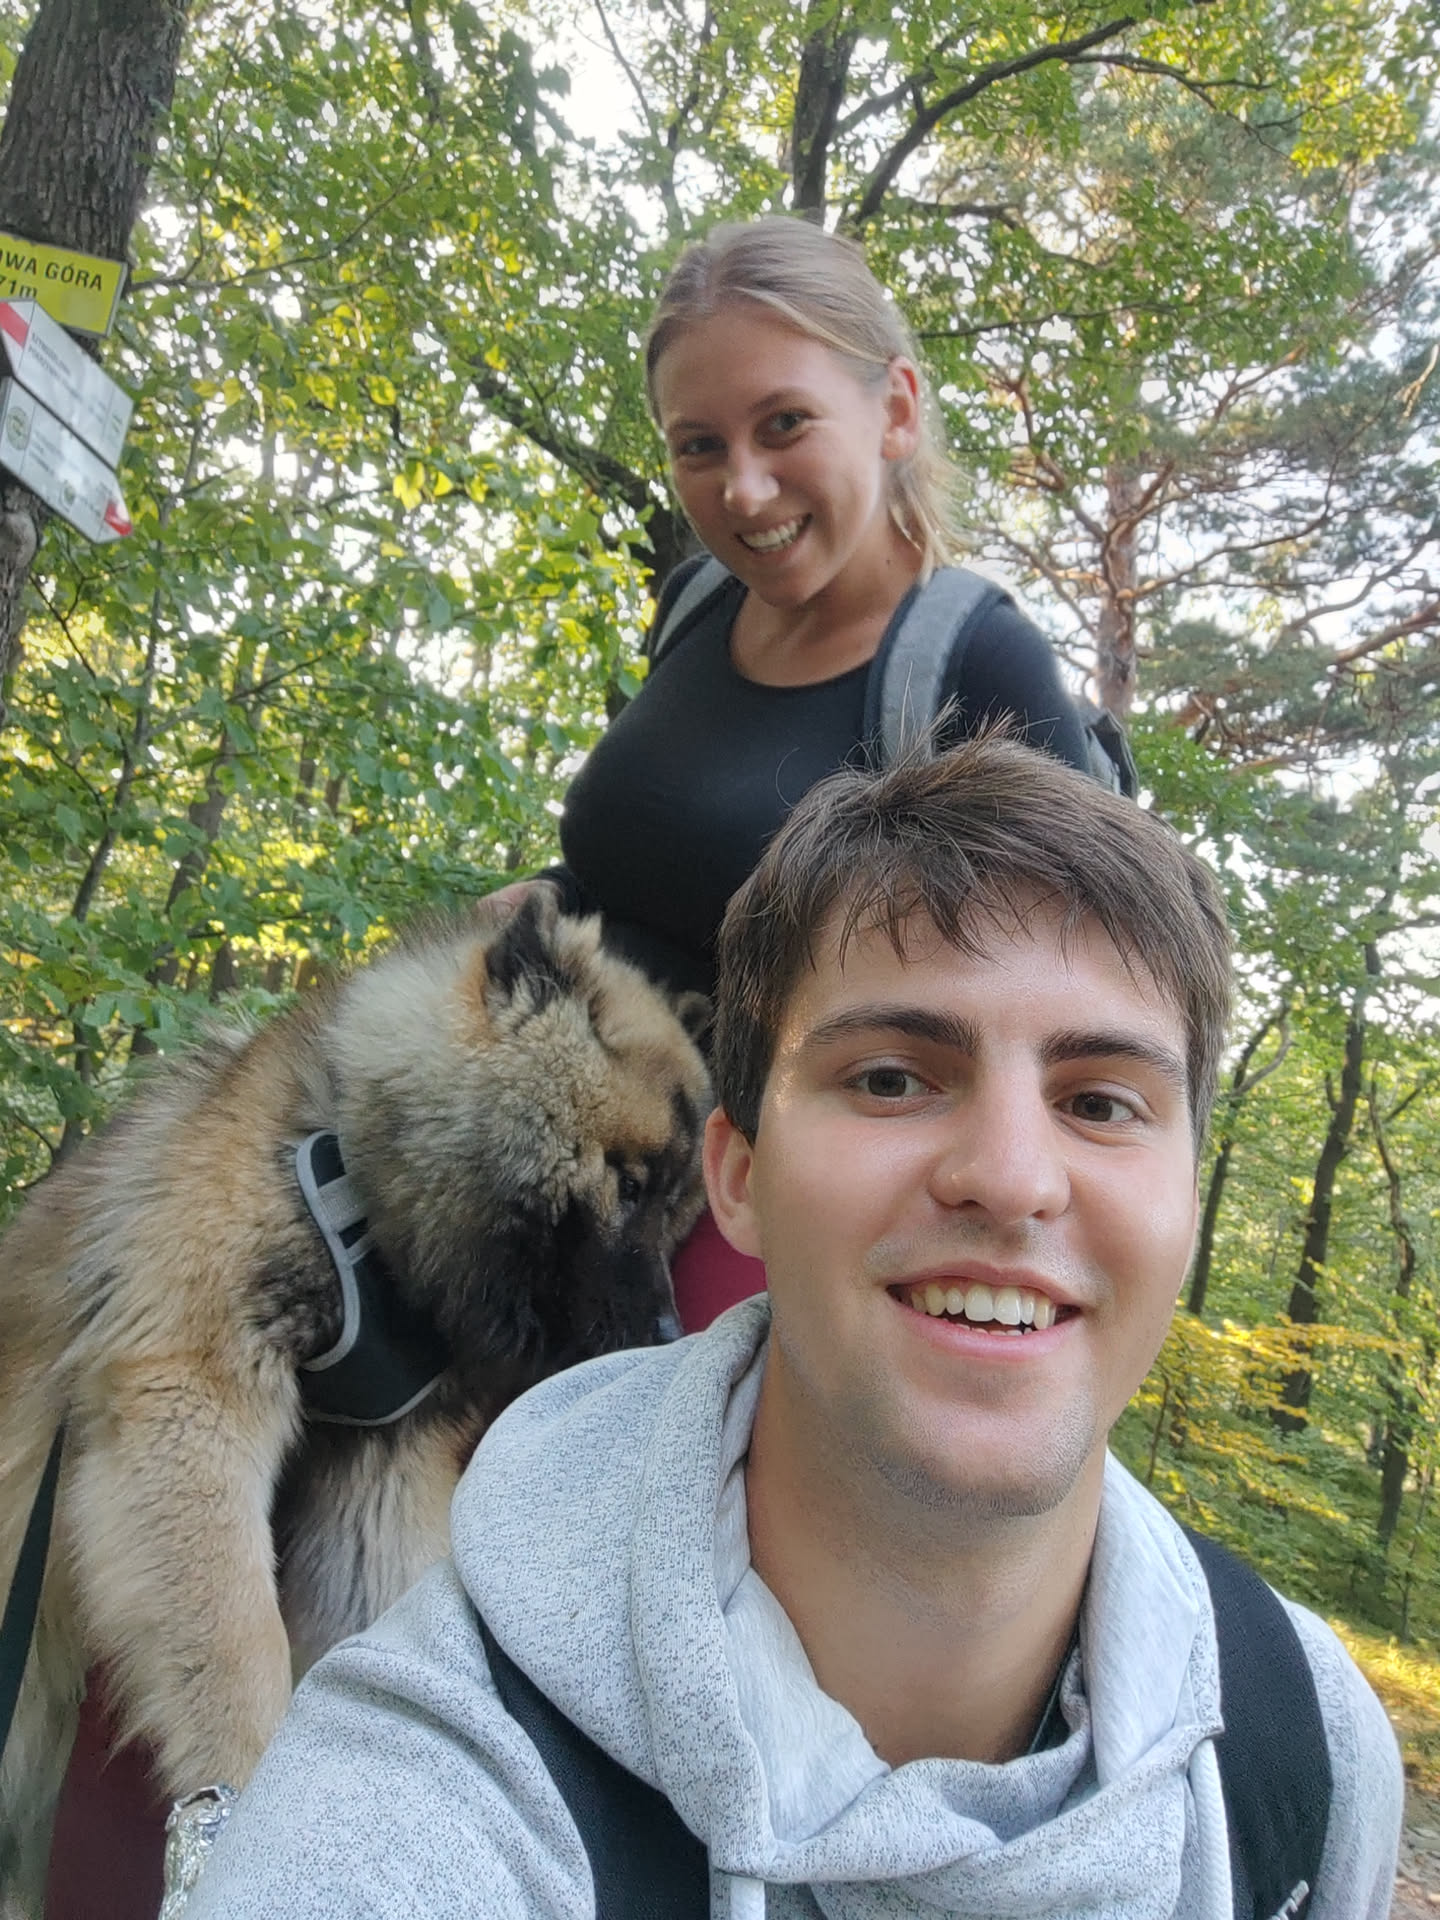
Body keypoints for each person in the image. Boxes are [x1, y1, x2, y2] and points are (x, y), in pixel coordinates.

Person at [182, 734, 1401, 1920]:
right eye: (890, 1078)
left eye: (1102, 1101)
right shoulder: (426, 1785)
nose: (1010, 1178)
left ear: (1189, 1199)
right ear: (738, 1178)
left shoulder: (1310, 1748)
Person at [544, 214, 1095, 1329]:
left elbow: (1067, 997)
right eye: (699, 446)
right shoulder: (697, 605)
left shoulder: (975, 667)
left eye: (784, 424)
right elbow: (651, 858)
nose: (743, 490)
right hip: (567, 1140)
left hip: (760, 1200)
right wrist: (548, 899)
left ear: (895, 410)